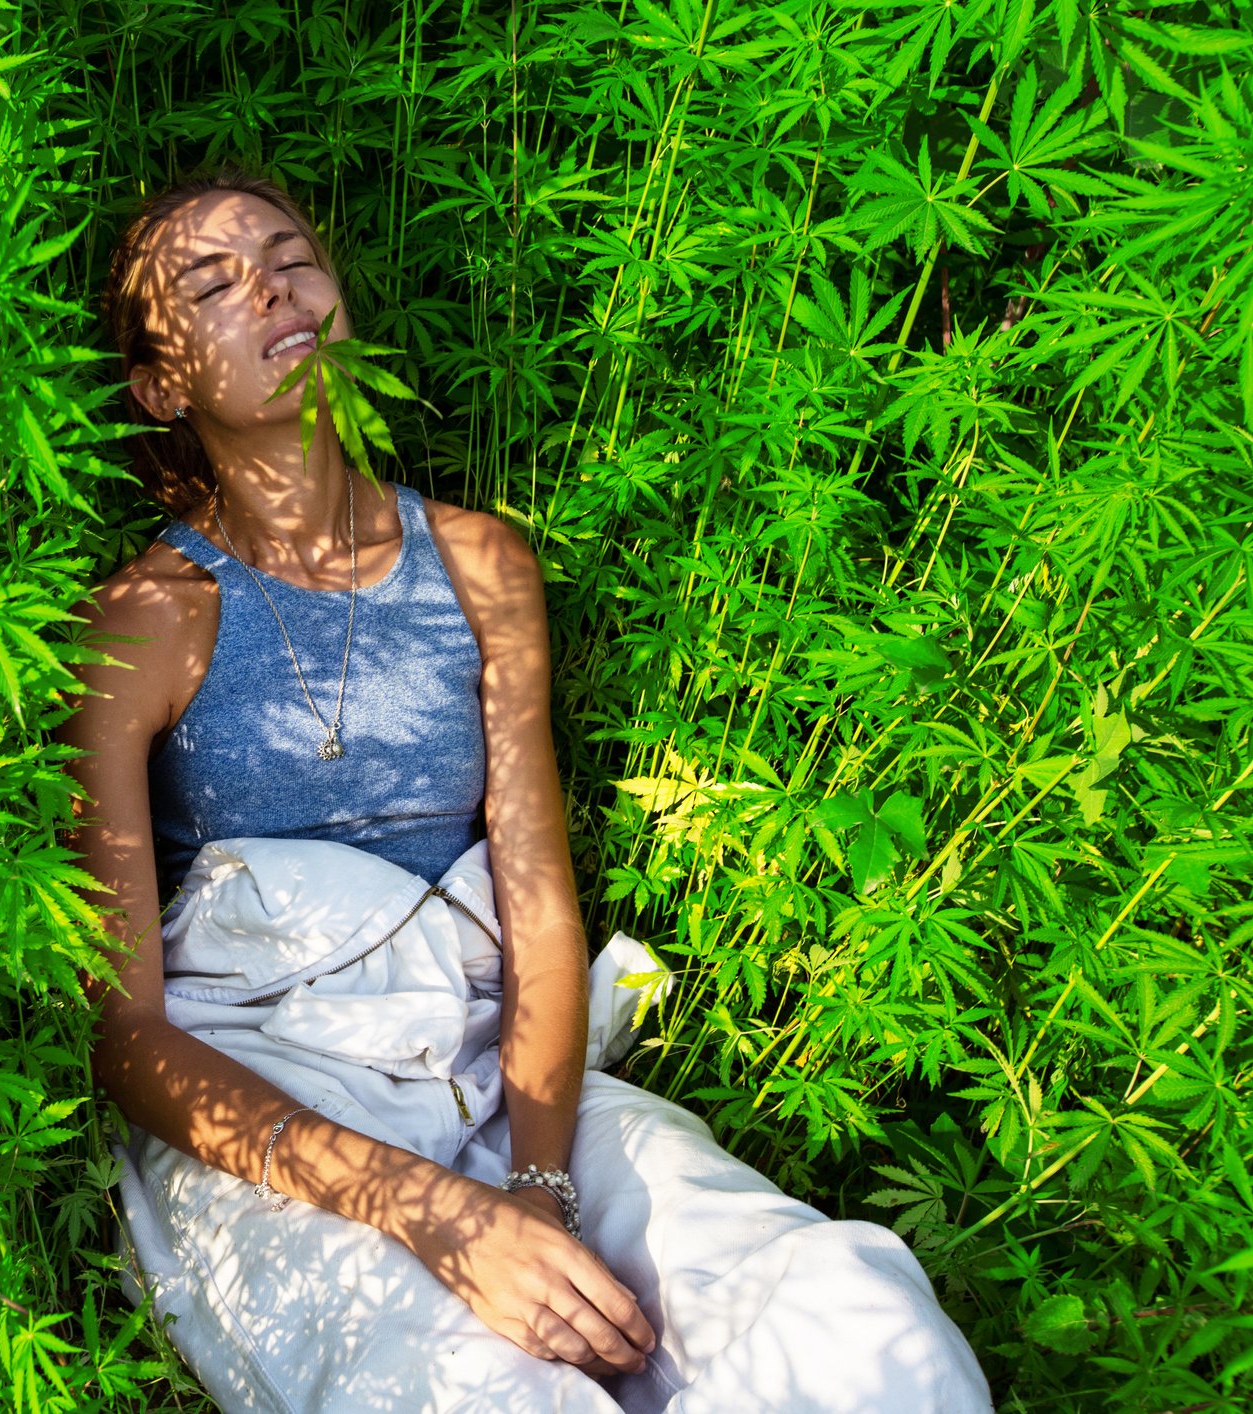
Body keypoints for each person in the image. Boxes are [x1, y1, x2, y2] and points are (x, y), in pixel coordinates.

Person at [54, 166, 991, 1412]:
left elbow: (539, 903)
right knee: (475, 1389)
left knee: (848, 1319)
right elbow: (126, 1031)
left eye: (291, 255)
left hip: (495, 1066)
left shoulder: (479, 561)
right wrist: (426, 1210)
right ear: (162, 384)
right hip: (271, 1109)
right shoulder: (142, 623)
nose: (271, 286)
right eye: (213, 284)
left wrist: (533, 1190)